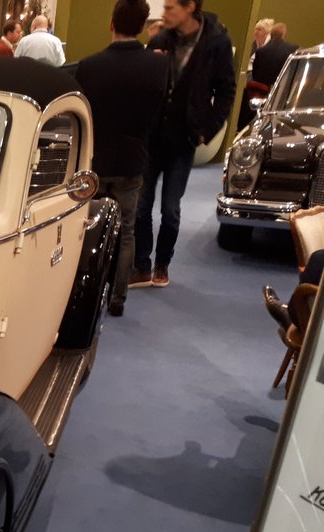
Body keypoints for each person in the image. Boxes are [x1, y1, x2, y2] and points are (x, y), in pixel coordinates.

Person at [132, 0, 235, 289]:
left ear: (190, 7)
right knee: (141, 205)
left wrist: (207, 129)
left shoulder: (216, 42)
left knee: (170, 208)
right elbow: (145, 84)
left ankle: (162, 264)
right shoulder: (160, 39)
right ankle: (141, 265)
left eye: (170, 8)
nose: (164, 14)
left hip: (184, 139)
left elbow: (226, 91)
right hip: (152, 136)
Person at [75, 0, 169, 317]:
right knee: (126, 230)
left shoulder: (88, 66)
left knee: (88, 226)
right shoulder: (158, 67)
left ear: (111, 24)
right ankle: (118, 298)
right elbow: (157, 116)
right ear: (143, 27)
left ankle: (84, 294)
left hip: (95, 159)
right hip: (133, 158)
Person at [252, 23, 297, 88]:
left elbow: (254, 74)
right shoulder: (293, 49)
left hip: (260, 90)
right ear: (284, 35)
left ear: (271, 34)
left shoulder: (260, 51)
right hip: (281, 89)